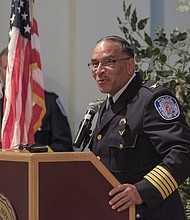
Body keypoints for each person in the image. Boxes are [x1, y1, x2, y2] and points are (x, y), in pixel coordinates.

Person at [87, 35, 190, 219]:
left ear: (130, 65)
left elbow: (182, 152)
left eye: (108, 62)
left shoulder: (152, 99)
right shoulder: (107, 105)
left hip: (151, 213)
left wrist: (142, 191)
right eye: (94, 64)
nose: (99, 71)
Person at [0, 48, 73, 152]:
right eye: (7, 69)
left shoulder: (49, 102)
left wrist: (36, 153)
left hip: (40, 167)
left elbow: (64, 146)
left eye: (17, 68)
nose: (12, 75)